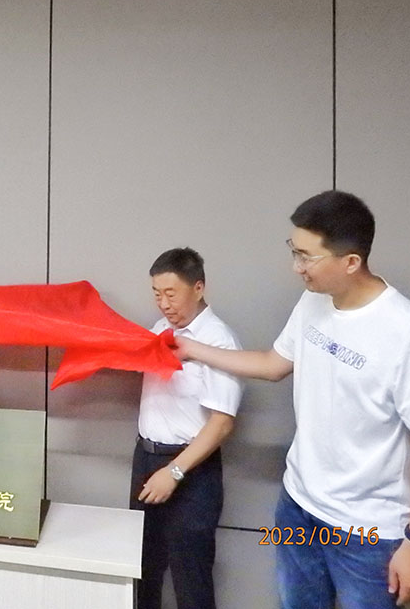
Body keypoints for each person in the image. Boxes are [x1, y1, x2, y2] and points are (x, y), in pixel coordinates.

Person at [174, 190, 410, 608]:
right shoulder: (313, 301)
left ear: (351, 262)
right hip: (297, 506)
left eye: (306, 257)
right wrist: (192, 349)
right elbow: (274, 364)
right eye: (294, 251)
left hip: (368, 532)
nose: (296, 267)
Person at [129, 247, 243, 609]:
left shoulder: (219, 341)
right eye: (156, 294)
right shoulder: (160, 330)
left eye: (171, 293)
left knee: (190, 577)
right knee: (141, 569)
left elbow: (222, 424)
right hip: (146, 459)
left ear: (198, 287)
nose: (163, 304)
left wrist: (174, 472)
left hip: (191, 469)